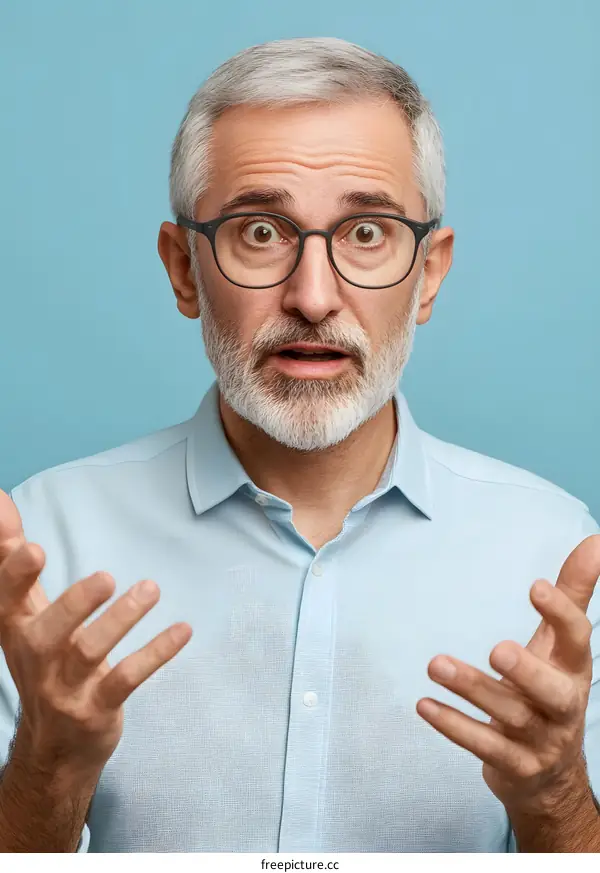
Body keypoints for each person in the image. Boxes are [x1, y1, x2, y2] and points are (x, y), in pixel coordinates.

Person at [0, 36, 599, 854]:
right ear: (183, 270)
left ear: (428, 275)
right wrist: (49, 766)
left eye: (365, 233)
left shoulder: (557, 555)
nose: (313, 297)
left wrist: (556, 794)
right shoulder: (39, 549)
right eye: (259, 231)